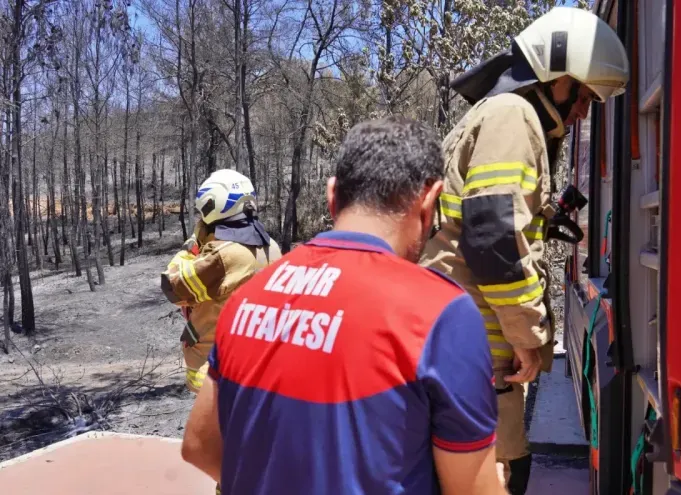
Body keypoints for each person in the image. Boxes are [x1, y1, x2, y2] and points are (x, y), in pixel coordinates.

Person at [181, 116, 507, 495]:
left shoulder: (249, 296)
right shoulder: (443, 313)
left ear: (332, 196)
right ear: (430, 200)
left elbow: (199, 446)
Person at [418, 6, 630, 494]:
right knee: (499, 476)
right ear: (558, 78)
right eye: (584, 96)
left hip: (469, 347)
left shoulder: (502, 115)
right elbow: (493, 236)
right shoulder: (514, 117)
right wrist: (527, 337)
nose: (583, 111)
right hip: (481, 353)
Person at [161, 168, 282, 394]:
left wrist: (191, 247)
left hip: (214, 373)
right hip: (256, 368)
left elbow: (173, 287)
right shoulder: (271, 247)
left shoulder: (222, 256)